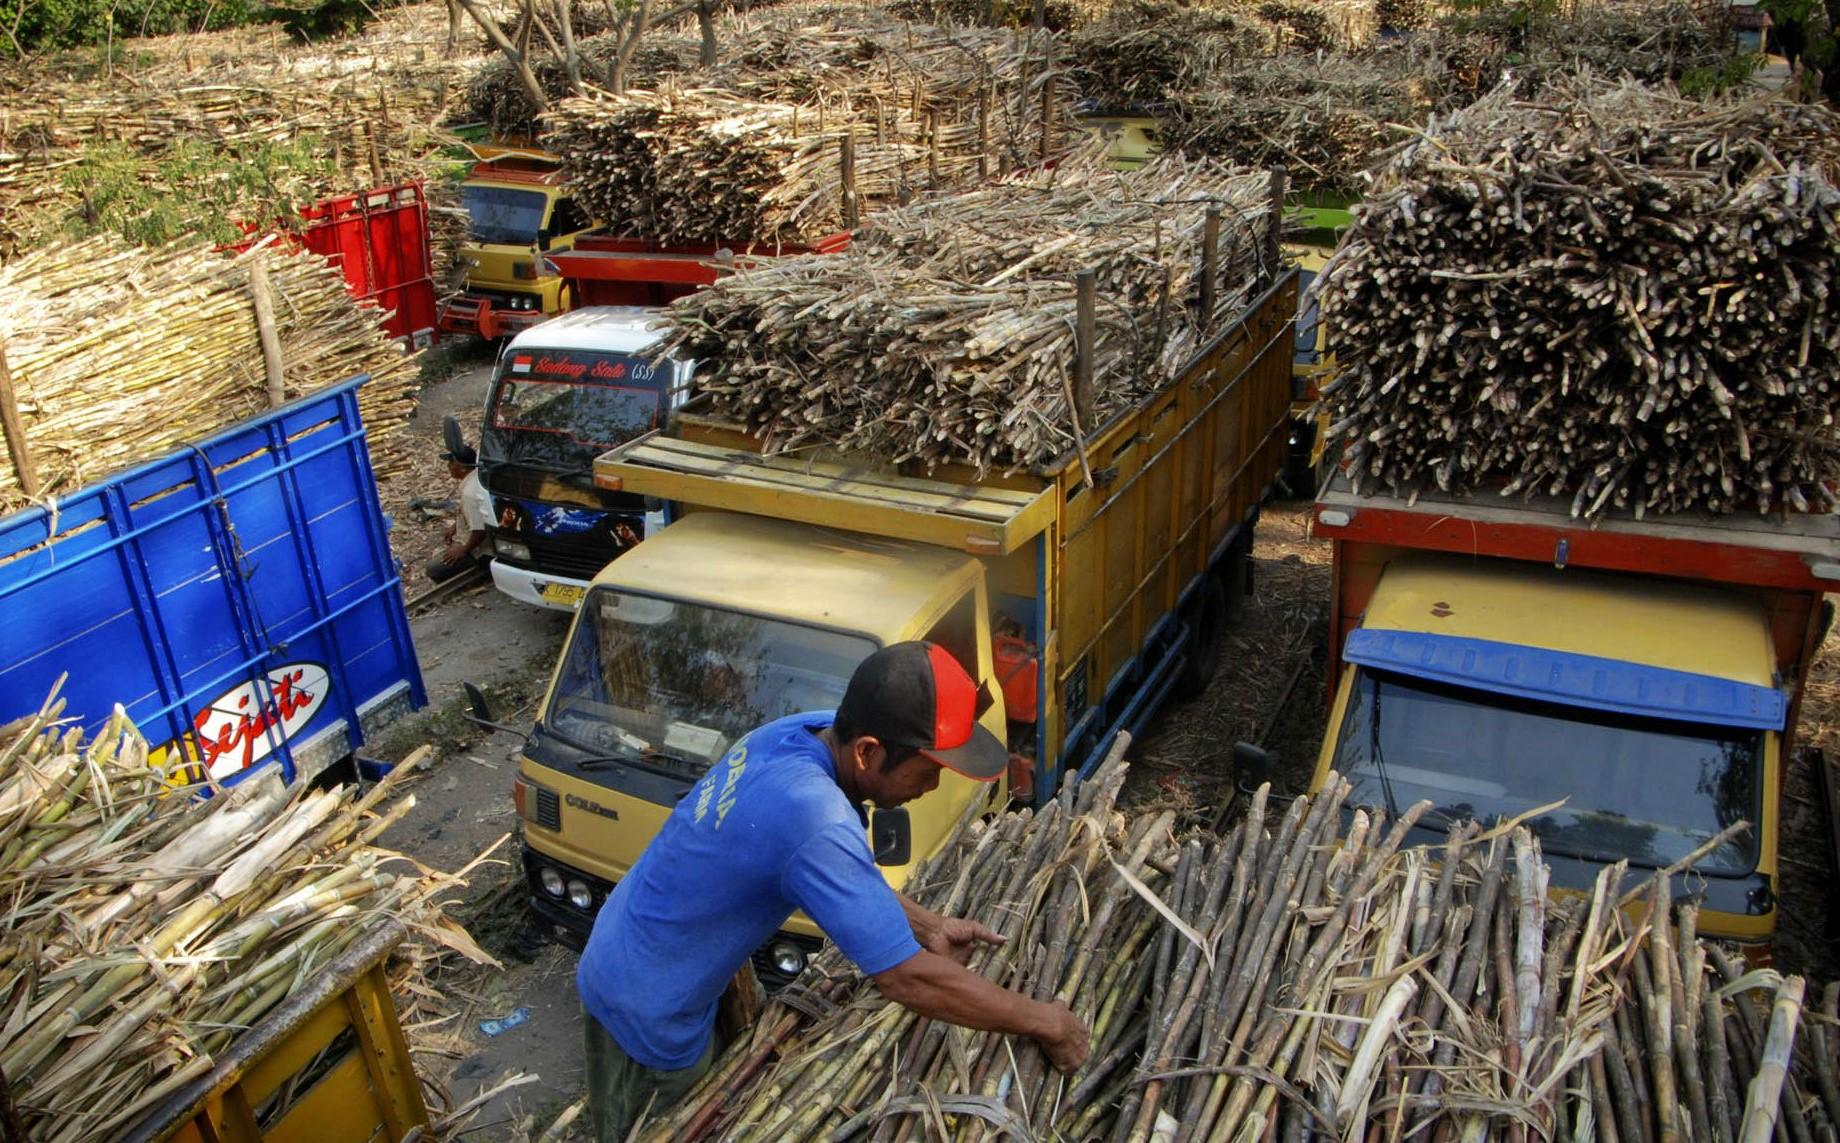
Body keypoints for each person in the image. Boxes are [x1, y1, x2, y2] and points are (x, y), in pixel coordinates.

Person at [576, 641, 1091, 1140]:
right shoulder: (812, 814)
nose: (932, 787)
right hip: (643, 1007)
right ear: (868, 752)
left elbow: (840, 878)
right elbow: (907, 980)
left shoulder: (801, 732)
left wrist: (929, 926)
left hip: (643, 943)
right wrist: (1046, 1022)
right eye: (930, 770)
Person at [424, 441, 495, 583]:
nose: (448, 466)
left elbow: (480, 530)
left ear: (462, 468)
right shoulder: (477, 478)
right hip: (482, 540)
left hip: (482, 550)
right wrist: (455, 527)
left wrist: (464, 549)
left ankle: (481, 566)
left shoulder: (469, 493)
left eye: (451, 463)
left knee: (432, 569)